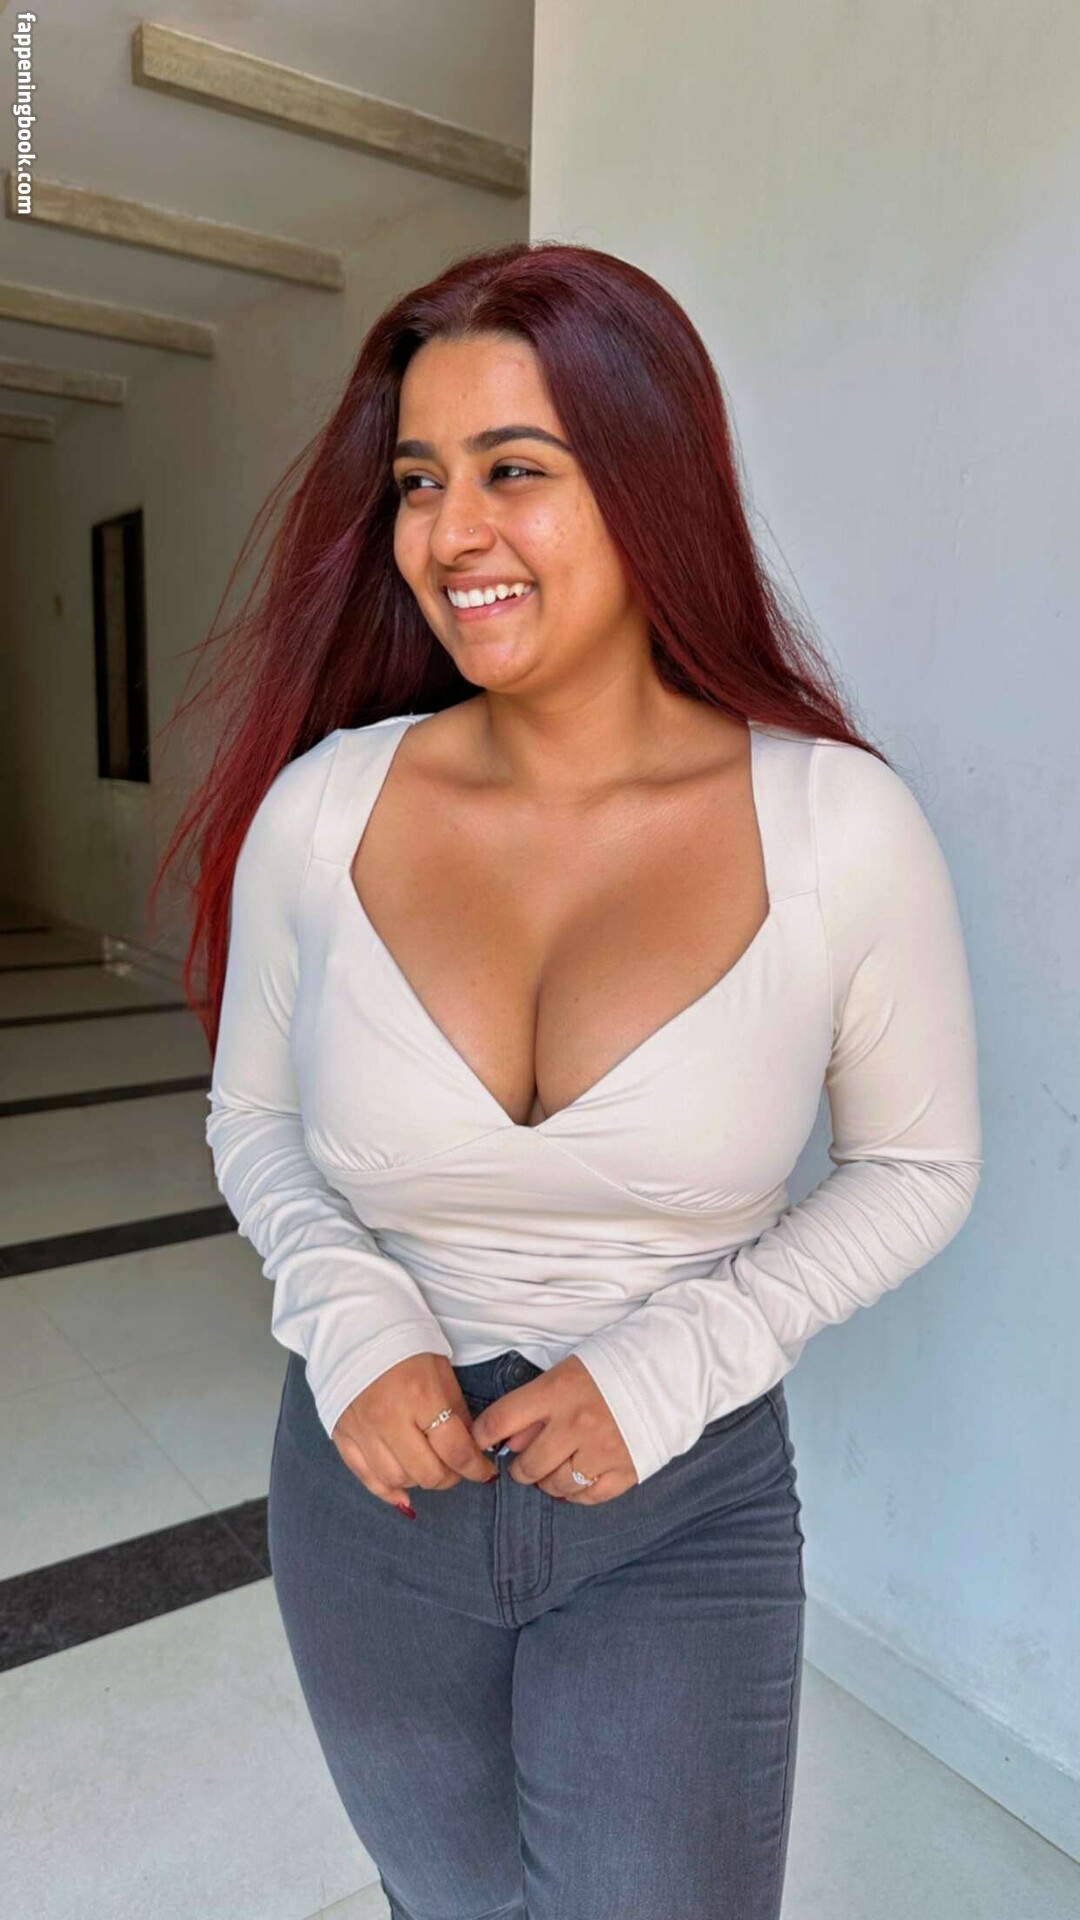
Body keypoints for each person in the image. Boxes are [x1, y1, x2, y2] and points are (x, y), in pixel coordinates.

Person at [160, 241, 982, 1920]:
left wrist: (677, 1363)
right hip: (369, 1496)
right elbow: (253, 1119)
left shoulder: (837, 823)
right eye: (419, 481)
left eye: (514, 470)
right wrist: (352, 1317)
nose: (450, 533)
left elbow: (920, 1167)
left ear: (650, 480)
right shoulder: (326, 809)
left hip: (680, 1507)